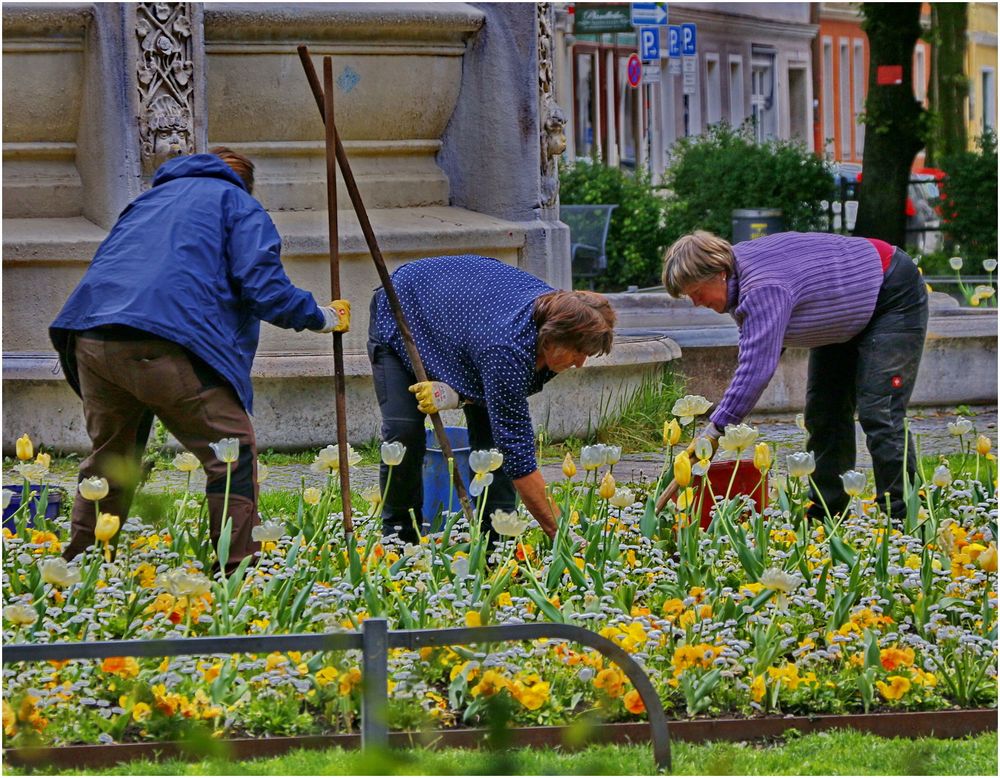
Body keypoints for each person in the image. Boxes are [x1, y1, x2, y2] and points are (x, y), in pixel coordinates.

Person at [50, 147, 350, 569]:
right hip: (167, 341)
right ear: (245, 183)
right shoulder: (238, 204)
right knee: (232, 452)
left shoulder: (146, 202)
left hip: (91, 337)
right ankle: (238, 570)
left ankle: (81, 567)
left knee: (112, 459)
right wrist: (321, 317)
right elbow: (263, 288)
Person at [661, 230, 928, 520]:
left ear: (719, 273)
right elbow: (762, 347)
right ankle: (827, 512)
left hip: (890, 293)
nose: (697, 303)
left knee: (880, 411)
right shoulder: (741, 283)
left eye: (696, 292)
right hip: (840, 312)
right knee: (824, 413)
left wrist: (715, 432)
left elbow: (756, 369)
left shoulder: (762, 286)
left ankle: (905, 517)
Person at [367, 254, 616, 543]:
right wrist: (561, 536)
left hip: (464, 320)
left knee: (494, 449)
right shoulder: (506, 351)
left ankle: (497, 543)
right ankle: (399, 540)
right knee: (404, 433)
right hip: (403, 308)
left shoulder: (557, 320)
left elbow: (506, 441)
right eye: (577, 352)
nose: (580, 363)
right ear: (551, 337)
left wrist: (458, 395)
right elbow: (520, 459)